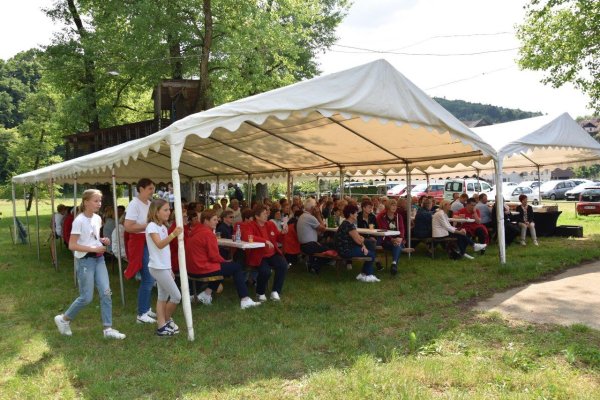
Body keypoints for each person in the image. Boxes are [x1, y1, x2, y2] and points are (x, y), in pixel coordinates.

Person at [54, 189, 125, 340]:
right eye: (96, 201)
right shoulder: (79, 221)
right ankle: (63, 319)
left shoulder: (98, 218)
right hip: (85, 260)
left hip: (99, 259)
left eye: (100, 201)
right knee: (86, 297)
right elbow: (72, 245)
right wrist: (94, 248)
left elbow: (93, 237)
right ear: (86, 202)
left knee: (106, 293)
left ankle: (108, 329)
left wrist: (103, 240)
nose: (99, 203)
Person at [185, 210, 261, 309]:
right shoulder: (207, 233)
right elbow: (214, 256)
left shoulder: (195, 231)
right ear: (206, 221)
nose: (217, 222)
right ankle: (245, 300)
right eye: (214, 220)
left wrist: (224, 264)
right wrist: (225, 262)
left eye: (217, 219)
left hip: (191, 269)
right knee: (236, 267)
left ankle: (206, 295)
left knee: (225, 268)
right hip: (201, 268)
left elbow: (210, 256)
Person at [145, 199, 183, 336]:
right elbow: (159, 244)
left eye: (169, 209)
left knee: (162, 297)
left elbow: (166, 251)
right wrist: (174, 234)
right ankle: (166, 320)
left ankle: (161, 325)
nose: (169, 212)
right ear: (156, 212)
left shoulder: (163, 227)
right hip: (157, 267)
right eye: (165, 210)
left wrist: (170, 269)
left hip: (164, 267)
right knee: (176, 296)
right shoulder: (151, 226)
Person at [123, 178, 157, 324]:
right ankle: (141, 314)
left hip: (148, 242)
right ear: (141, 189)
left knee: (150, 277)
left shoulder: (149, 204)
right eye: (150, 188)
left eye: (153, 188)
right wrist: (147, 225)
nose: (152, 191)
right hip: (139, 243)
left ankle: (146, 308)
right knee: (148, 278)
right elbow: (128, 226)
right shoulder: (134, 204)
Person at [243, 205, 288, 301]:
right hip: (259, 255)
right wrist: (264, 241)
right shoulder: (250, 225)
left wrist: (283, 233)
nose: (267, 215)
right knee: (265, 271)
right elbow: (248, 237)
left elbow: (278, 238)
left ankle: (275, 291)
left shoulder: (270, 224)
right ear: (257, 216)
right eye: (264, 213)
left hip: (272, 253)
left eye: (267, 213)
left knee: (283, 265)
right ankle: (260, 292)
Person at [335, 204, 378, 282]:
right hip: (346, 250)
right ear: (351, 214)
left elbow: (359, 238)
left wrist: (363, 244)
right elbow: (358, 240)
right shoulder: (349, 225)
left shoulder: (346, 224)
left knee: (369, 247)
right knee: (371, 254)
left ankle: (363, 274)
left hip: (344, 249)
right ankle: (368, 275)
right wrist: (362, 241)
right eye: (356, 213)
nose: (357, 214)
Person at [297, 198, 329, 274]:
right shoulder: (310, 217)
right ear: (312, 208)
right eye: (316, 206)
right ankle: (315, 266)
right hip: (309, 246)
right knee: (331, 249)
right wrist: (318, 215)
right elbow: (323, 229)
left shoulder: (302, 216)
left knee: (325, 245)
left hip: (304, 245)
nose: (317, 207)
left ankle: (312, 264)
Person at [375, 199, 405, 276]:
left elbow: (402, 229)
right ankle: (394, 264)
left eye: (395, 205)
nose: (394, 207)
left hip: (397, 239)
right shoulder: (382, 216)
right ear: (388, 206)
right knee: (397, 244)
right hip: (386, 239)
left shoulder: (399, 216)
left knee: (398, 243)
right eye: (392, 205)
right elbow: (384, 231)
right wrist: (392, 239)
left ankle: (394, 264)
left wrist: (400, 238)